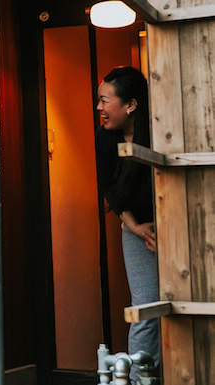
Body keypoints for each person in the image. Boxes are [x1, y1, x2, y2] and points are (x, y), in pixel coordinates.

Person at [94, 66, 159, 378]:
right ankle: (134, 380)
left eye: (105, 101)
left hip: (172, 223)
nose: (99, 108)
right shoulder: (105, 138)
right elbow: (108, 187)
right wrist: (135, 227)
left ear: (131, 105)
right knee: (145, 310)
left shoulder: (159, 127)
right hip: (134, 227)